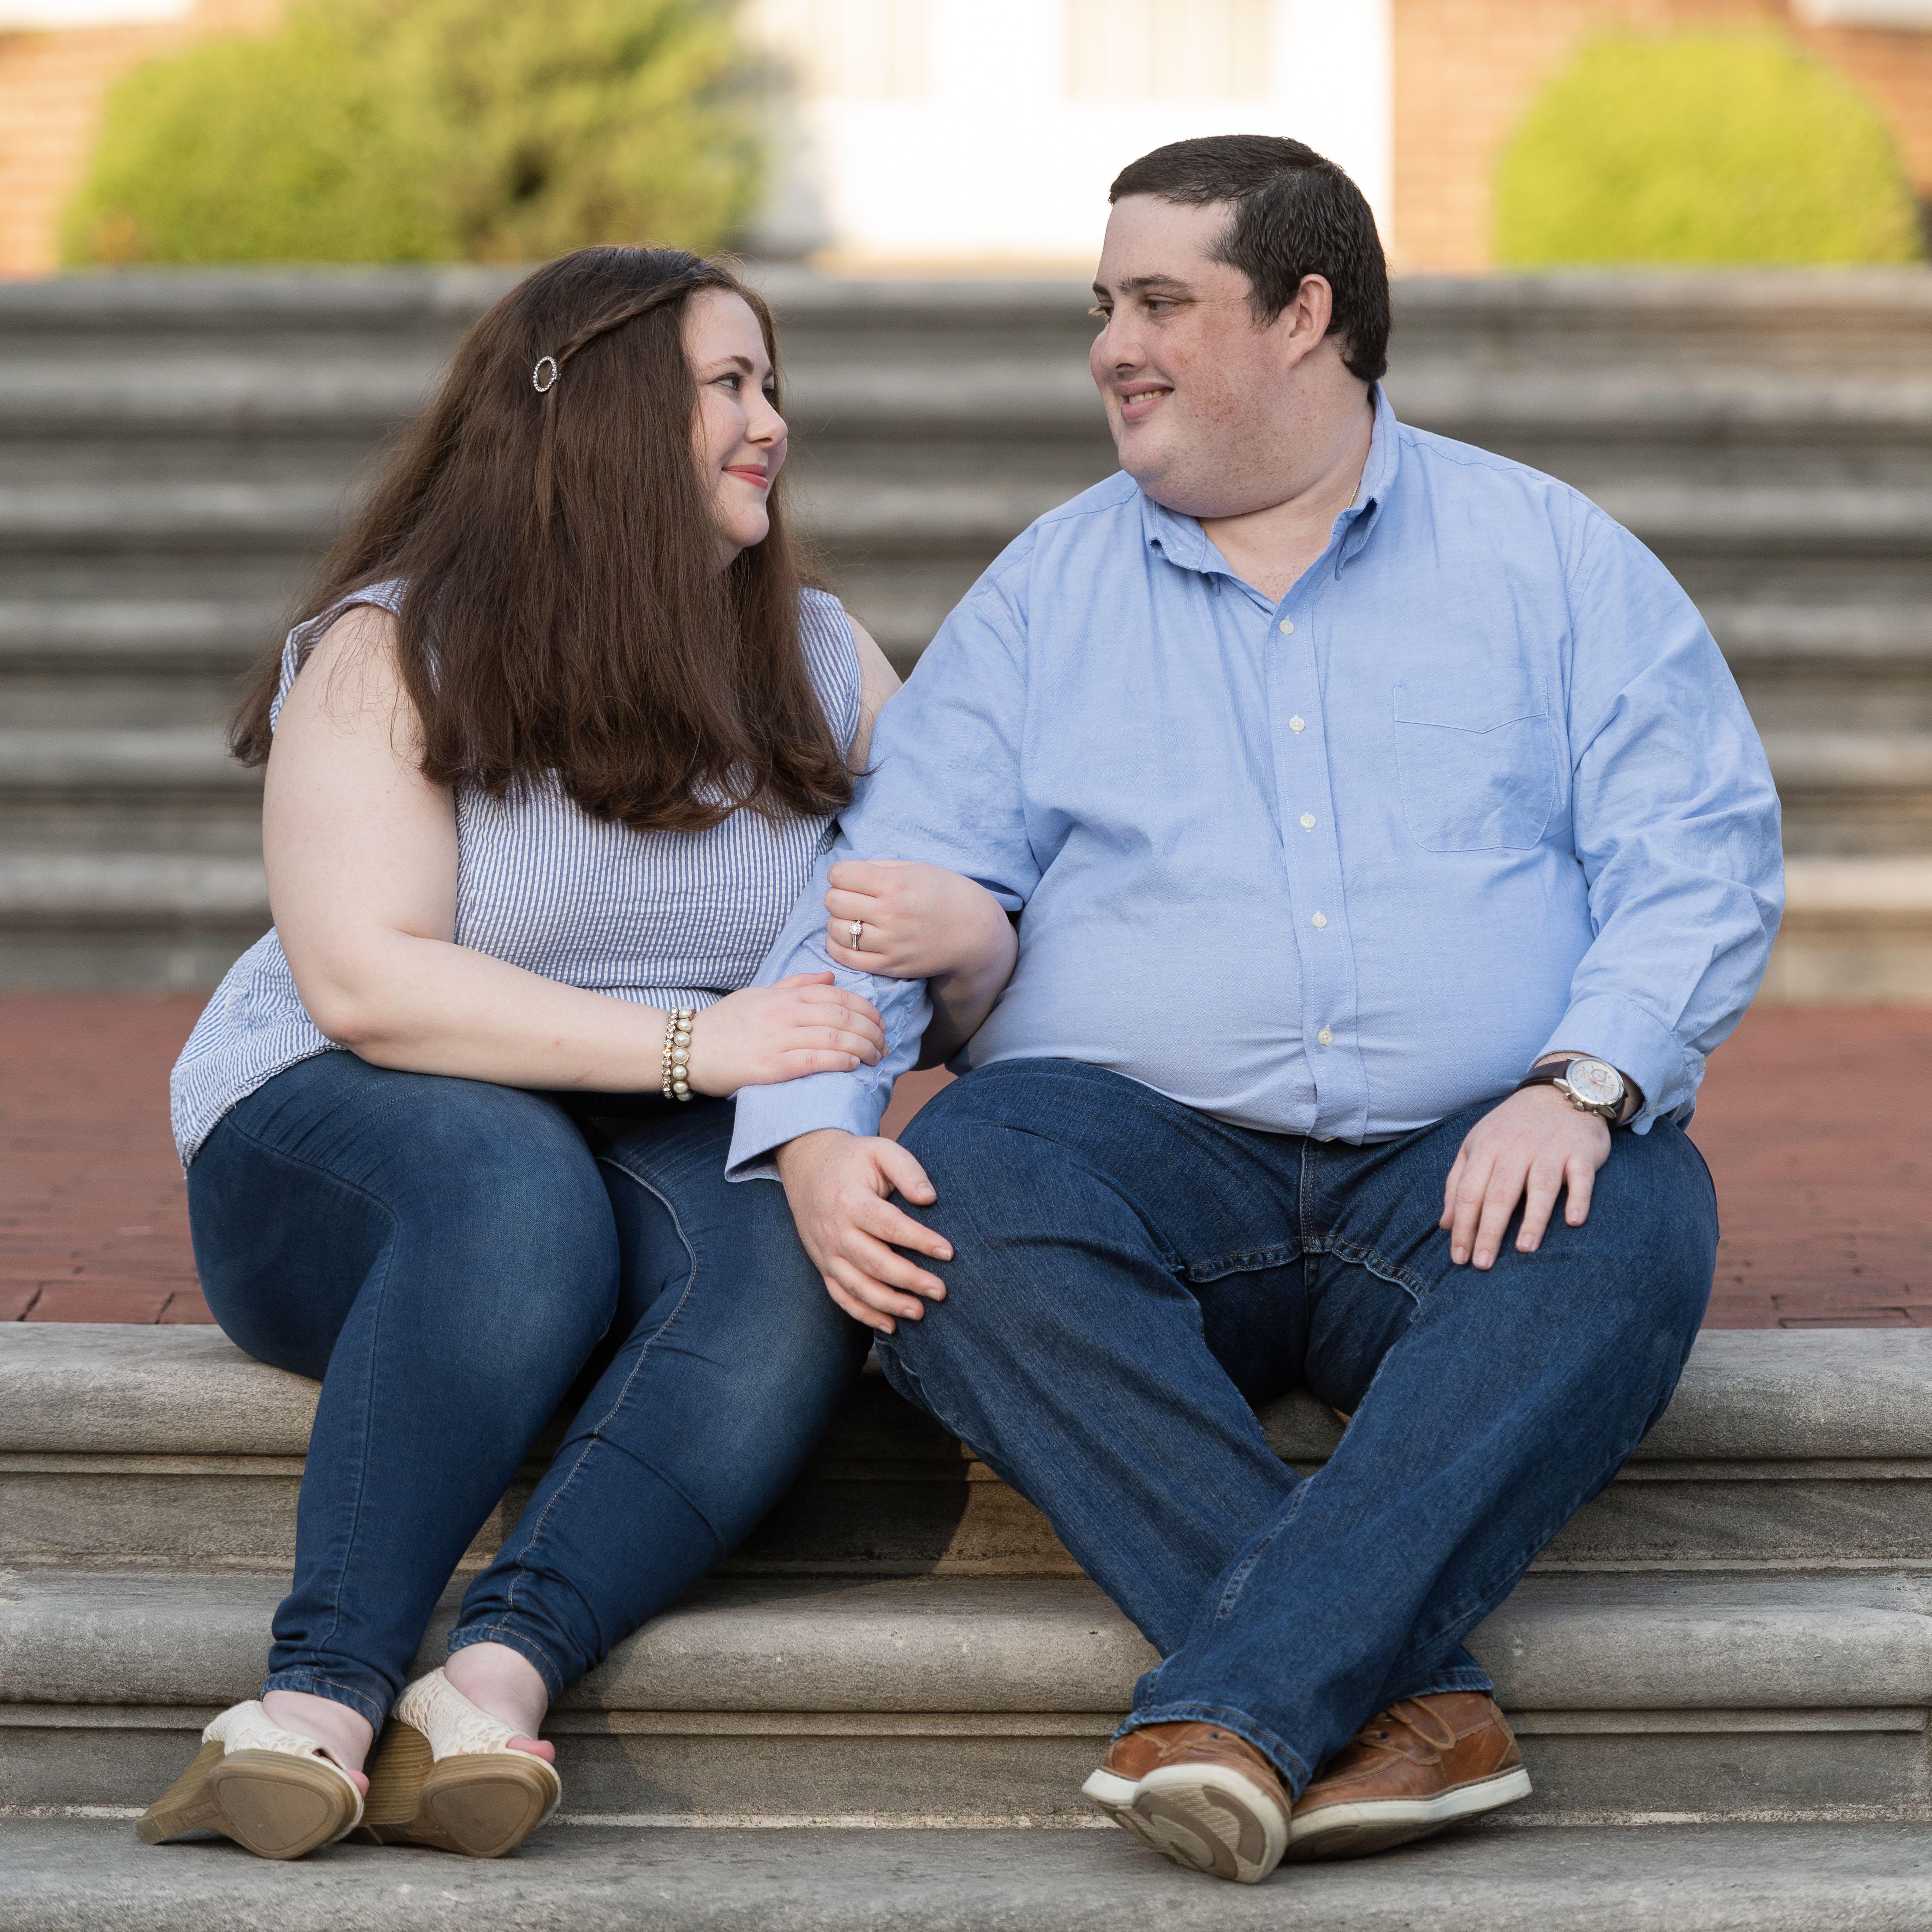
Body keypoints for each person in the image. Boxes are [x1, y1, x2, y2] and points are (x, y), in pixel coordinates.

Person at [734, 137, 1783, 1886]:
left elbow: (1701, 856)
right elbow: (877, 890)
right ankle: (1394, 1706)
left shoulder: (1547, 559)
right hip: (1149, 1171)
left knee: (1643, 1208)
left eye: (1161, 303)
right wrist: (816, 1146)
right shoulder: (1048, 596)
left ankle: (1238, 1706)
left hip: (1467, 1173)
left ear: (1307, 315)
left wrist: (1583, 1085)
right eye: (1103, 309)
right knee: (959, 1194)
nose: (1112, 348)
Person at [138, 246, 1014, 1863]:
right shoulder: (389, 651)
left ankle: (489, 1682)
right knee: (510, 1182)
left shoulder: (822, 658)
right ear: (608, 418)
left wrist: (972, 946)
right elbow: (366, 986)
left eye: (774, 386)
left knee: (798, 1242)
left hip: (651, 1132)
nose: (772, 425)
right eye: (731, 386)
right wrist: (703, 1042)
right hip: (338, 1144)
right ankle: (317, 1699)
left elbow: (945, 940)